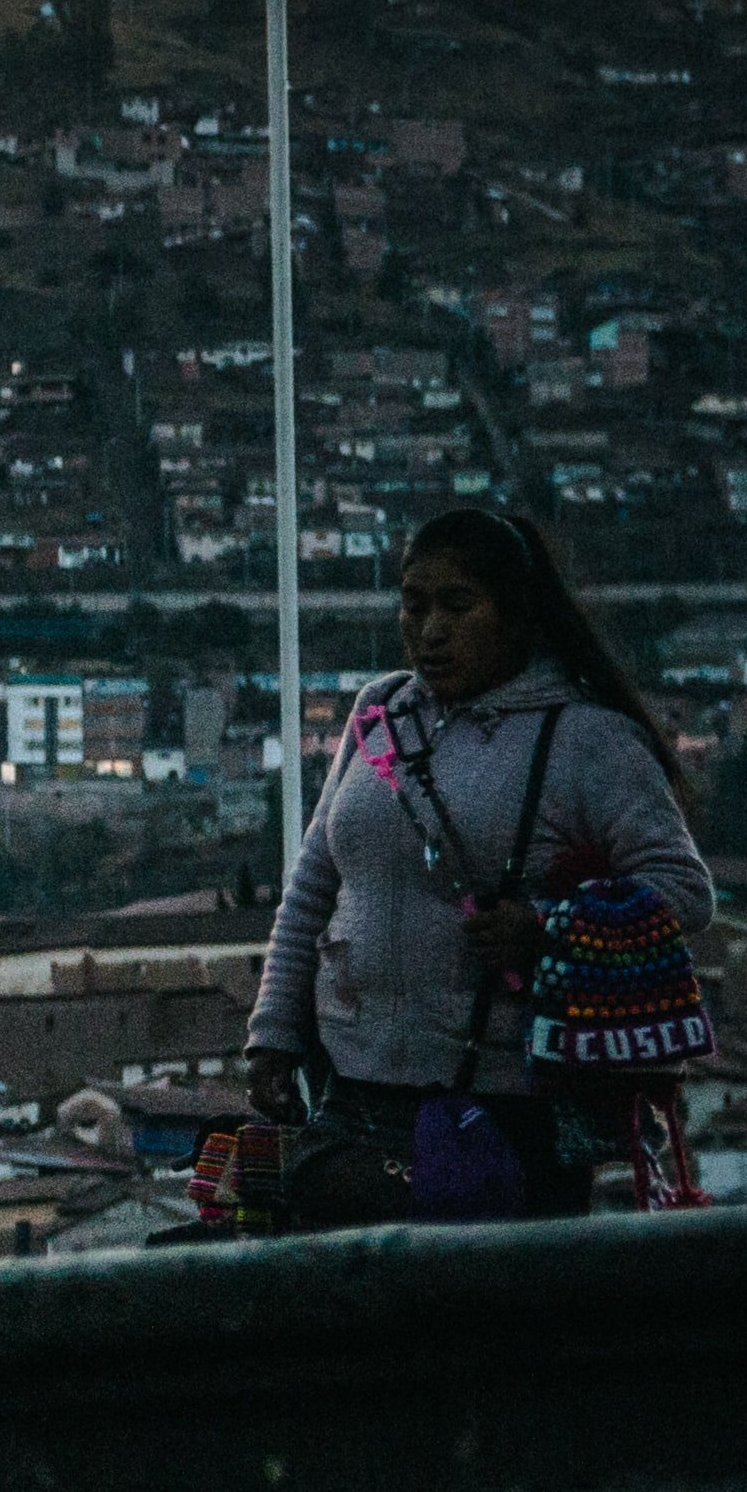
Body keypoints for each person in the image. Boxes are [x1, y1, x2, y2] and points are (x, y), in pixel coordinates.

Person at [242, 507, 711, 1226]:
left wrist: (550, 929)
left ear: (517, 615)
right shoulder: (380, 714)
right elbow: (314, 885)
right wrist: (274, 1032)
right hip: (351, 1097)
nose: (429, 630)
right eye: (414, 604)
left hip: (503, 1110)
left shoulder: (587, 741)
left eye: (457, 606)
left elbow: (683, 892)